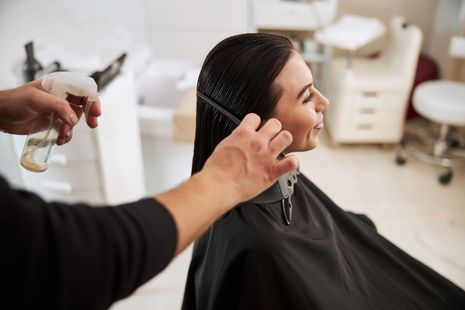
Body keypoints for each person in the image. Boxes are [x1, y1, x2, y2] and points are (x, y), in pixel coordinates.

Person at [181, 33, 465, 310]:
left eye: (314, 86)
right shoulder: (262, 249)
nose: (323, 101)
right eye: (306, 98)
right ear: (256, 126)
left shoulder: (262, 173)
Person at [0, 79, 299, 309]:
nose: (324, 102)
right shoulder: (254, 243)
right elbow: (63, 257)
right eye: (307, 95)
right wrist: (221, 181)